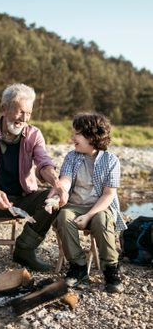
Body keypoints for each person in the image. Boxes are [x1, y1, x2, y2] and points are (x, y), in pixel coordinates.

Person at [0, 83, 68, 275]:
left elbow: (44, 163)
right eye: (20, 112)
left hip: (24, 198)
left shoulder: (34, 134)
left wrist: (57, 185)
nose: (24, 119)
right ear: (5, 108)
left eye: (29, 113)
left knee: (52, 198)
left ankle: (25, 250)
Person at [52, 112, 126, 293]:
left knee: (101, 220)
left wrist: (88, 216)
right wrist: (56, 192)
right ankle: (78, 267)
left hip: (101, 206)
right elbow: (66, 180)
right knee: (63, 216)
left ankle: (111, 269)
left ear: (91, 136)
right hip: (75, 205)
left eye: (77, 133)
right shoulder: (72, 157)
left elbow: (108, 195)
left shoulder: (111, 161)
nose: (72, 137)